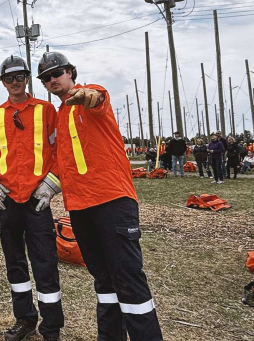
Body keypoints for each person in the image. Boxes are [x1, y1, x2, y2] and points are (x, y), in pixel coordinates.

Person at [38, 51, 163, 341]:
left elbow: (96, 97)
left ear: (71, 72)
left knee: (128, 280)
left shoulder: (92, 97)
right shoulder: (59, 116)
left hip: (112, 202)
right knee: (104, 282)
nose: (52, 80)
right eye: (46, 78)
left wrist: (84, 95)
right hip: (80, 208)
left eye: (57, 73)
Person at [0, 55, 63, 341]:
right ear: (2, 82)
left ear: (27, 78)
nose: (15, 82)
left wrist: (51, 185)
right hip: (8, 201)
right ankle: (25, 319)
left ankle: (51, 328)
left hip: (37, 200)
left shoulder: (47, 111)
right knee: (14, 262)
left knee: (45, 263)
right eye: (9, 78)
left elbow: (60, 150)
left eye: (19, 77)